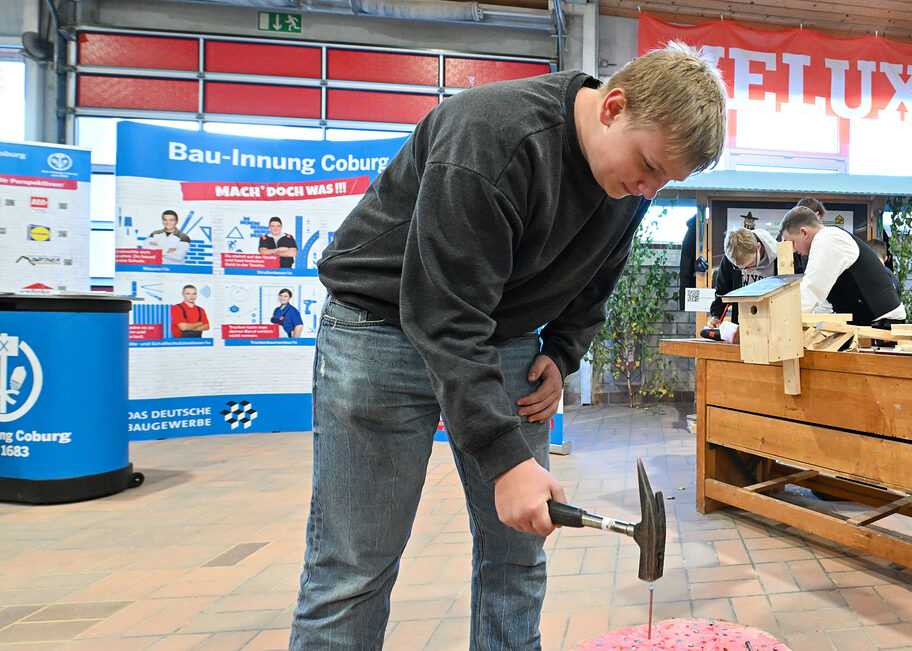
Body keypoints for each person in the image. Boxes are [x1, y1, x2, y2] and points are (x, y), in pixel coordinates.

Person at [288, 43, 726, 650]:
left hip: (502, 338)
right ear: (613, 107)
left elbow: (600, 272)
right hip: (381, 331)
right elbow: (442, 310)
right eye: (649, 166)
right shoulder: (492, 136)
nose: (648, 191)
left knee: (519, 556)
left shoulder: (626, 187)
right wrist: (504, 457)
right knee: (354, 567)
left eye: (665, 181)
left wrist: (564, 350)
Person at [780, 206, 906, 327]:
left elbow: (811, 289)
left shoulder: (827, 239)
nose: (793, 250)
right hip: (867, 320)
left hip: (883, 324)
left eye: (792, 243)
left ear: (804, 233)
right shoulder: (828, 238)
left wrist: (784, 319)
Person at [706, 226, 779, 327]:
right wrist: (716, 316)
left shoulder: (780, 256)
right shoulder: (731, 258)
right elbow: (723, 291)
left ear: (758, 247)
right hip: (742, 322)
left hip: (775, 322)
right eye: (741, 268)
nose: (747, 271)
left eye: (751, 264)